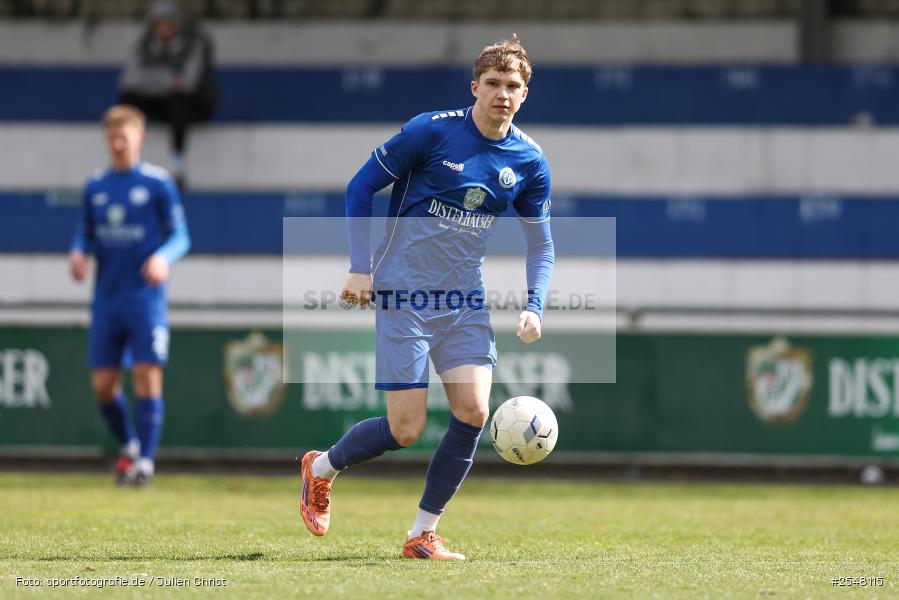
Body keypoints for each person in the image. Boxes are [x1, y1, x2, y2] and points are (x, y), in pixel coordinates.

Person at [298, 35, 554, 560]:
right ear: (474, 87)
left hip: (464, 301)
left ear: (525, 94)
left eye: (513, 86)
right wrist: (359, 269)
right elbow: (359, 186)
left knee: (474, 411)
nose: (502, 94)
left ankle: (422, 534)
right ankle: (320, 468)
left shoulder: (529, 160)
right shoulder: (431, 131)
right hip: (404, 294)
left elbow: (541, 244)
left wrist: (535, 304)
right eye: (493, 84)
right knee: (406, 429)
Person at [69, 104, 191, 486]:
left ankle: (146, 465)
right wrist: (78, 252)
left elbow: (182, 236)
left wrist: (162, 256)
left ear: (139, 137)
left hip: (145, 300)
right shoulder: (95, 186)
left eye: (124, 136)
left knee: (146, 374)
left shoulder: (158, 183)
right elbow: (84, 233)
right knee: (103, 385)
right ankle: (130, 447)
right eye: (112, 137)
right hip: (106, 300)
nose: (118, 143)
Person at [119, 0, 218, 189]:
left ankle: (178, 165)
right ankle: (124, 157)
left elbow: (188, 84)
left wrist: (150, 80)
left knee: (178, 104)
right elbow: (129, 80)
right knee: (127, 101)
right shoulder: (144, 44)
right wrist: (168, 81)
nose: (163, 29)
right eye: (159, 24)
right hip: (160, 100)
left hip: (194, 105)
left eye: (168, 24)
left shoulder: (195, 43)